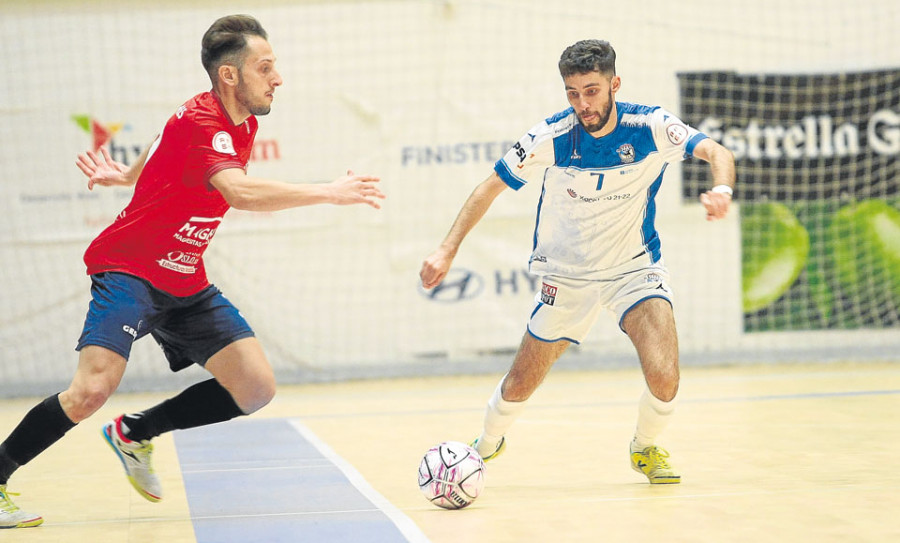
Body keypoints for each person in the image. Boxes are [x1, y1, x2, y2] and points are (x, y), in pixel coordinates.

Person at [0, 14, 385, 528]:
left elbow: (162, 138)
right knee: (91, 390)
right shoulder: (202, 120)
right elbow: (240, 193)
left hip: (184, 277)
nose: (278, 78)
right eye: (265, 67)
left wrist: (128, 175)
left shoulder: (239, 122)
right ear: (230, 75)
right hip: (129, 270)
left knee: (255, 388)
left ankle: (135, 432)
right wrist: (329, 191)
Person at [420, 39, 734, 485]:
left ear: (614, 85)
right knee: (520, 384)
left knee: (665, 376)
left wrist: (721, 190)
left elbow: (719, 153)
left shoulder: (651, 126)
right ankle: (485, 446)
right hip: (567, 275)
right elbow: (489, 186)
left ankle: (644, 448)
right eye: (572, 92)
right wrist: (447, 248)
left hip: (634, 269)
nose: (582, 104)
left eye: (591, 90)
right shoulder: (553, 136)